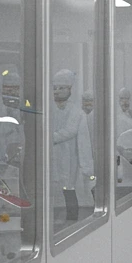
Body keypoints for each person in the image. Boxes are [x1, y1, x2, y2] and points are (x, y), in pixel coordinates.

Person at [50, 69, 89, 224]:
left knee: (68, 188)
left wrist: (48, 138)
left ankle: (71, 220)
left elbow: (70, 131)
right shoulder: (48, 109)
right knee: (50, 189)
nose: (57, 91)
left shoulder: (76, 112)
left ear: (70, 90)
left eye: (61, 88)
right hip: (50, 156)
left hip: (69, 158)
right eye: (55, 88)